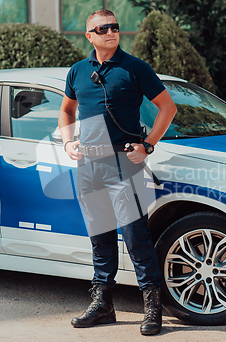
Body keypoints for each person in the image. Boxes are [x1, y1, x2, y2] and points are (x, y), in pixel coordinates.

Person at [58, 9, 177, 336]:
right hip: (89, 165)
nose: (111, 32)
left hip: (124, 164)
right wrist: (68, 144)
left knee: (136, 236)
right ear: (89, 35)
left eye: (115, 27)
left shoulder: (135, 68)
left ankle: (152, 308)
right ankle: (103, 304)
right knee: (100, 237)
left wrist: (148, 145)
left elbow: (168, 107)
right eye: (103, 28)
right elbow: (66, 110)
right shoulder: (78, 71)